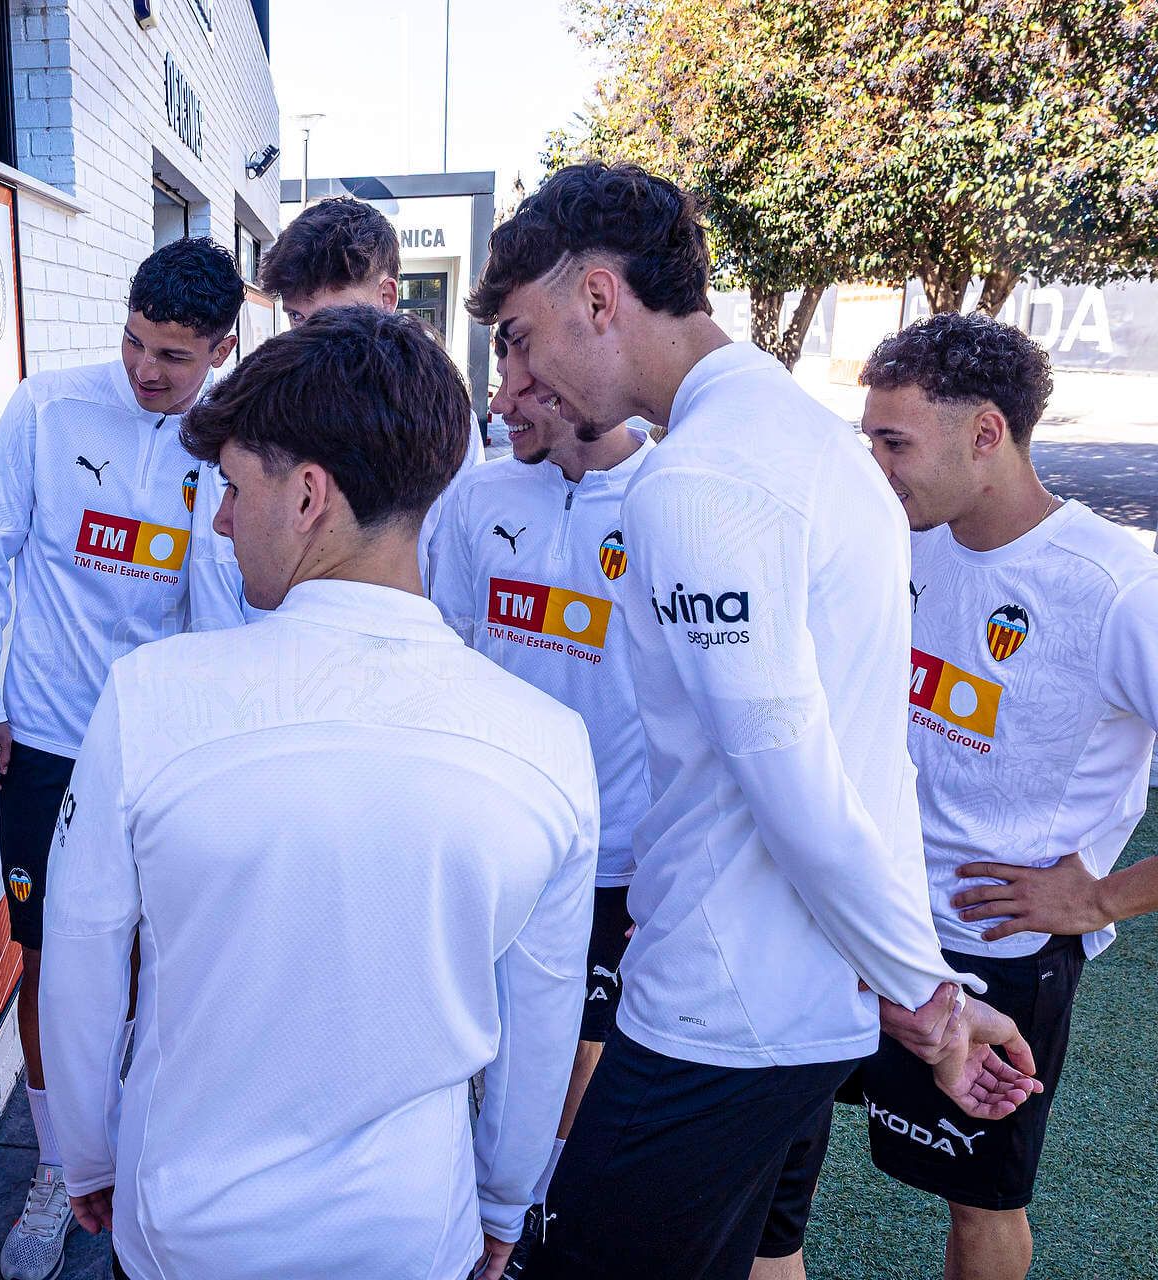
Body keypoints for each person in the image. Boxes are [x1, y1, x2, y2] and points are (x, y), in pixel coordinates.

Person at [472, 163, 1041, 1280]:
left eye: (526, 336)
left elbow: (797, 777)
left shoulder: (699, 482)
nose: (518, 379)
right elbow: (848, 763)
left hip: (721, 1012)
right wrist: (904, 980)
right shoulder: (807, 438)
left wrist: (924, 1000)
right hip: (784, 997)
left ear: (599, 297)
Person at [37, 306, 600, 1280]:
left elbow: (83, 961)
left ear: (307, 496)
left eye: (230, 486)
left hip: (186, 1226)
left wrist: (84, 1152)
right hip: (411, 1229)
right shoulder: (548, 742)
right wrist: (507, 1195)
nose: (218, 518)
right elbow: (540, 1017)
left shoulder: (151, 697)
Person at [0, 237, 242, 1280]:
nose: (145, 369)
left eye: (172, 353)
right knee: (48, 957)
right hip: (45, 738)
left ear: (221, 346)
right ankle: (55, 1164)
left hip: (164, 749)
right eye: (132, 341)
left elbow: (224, 607)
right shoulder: (45, 408)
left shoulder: (230, 442)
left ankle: (142, 1154)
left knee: (156, 963)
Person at [854, 312, 1158, 1280]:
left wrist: (1103, 897)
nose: (878, 464)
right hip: (870, 920)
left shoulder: (1117, 586)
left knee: (982, 1203)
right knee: (779, 1152)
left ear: (986, 434)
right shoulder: (903, 539)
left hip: (1000, 951)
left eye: (895, 441)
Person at [427, 333, 655, 1241]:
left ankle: (534, 1217)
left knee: (571, 1043)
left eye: (529, 386)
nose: (505, 403)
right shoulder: (477, 492)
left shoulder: (668, 500)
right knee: (468, 1026)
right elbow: (443, 650)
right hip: (485, 827)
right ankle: (472, 1200)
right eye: (501, 381)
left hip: (617, 847)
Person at [189, 196, 484, 627]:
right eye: (295, 317)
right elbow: (215, 557)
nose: (310, 338)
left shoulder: (437, 412)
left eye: (328, 316)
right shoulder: (265, 403)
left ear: (386, 297)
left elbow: (454, 568)